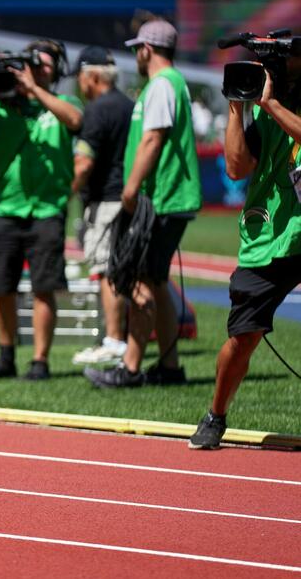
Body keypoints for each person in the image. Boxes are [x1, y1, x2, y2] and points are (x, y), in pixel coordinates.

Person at [189, 59, 301, 449]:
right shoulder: (262, 112)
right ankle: (215, 414)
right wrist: (239, 105)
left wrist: (271, 105)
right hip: (269, 235)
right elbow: (236, 168)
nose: (274, 72)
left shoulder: (280, 105)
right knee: (243, 336)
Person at [85, 19, 201, 388]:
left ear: (147, 50)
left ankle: (130, 368)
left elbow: (153, 139)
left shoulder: (163, 85)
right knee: (155, 279)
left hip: (161, 198)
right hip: (168, 198)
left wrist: (131, 189)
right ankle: (169, 367)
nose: (135, 55)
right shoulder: (169, 84)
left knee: (139, 281)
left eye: (138, 48)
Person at [0, 40, 82, 380]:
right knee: (2, 285)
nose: (38, 68)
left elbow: (75, 121)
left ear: (57, 70)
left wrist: (34, 89)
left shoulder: (64, 102)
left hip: (47, 209)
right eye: (34, 64)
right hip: (5, 208)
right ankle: (5, 355)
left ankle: (40, 361)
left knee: (43, 287)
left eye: (45, 64)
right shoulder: (2, 106)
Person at [69, 47, 133, 366]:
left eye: (80, 78)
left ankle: (114, 340)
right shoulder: (128, 105)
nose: (79, 86)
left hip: (106, 200)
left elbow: (83, 163)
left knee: (106, 271)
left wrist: (66, 192)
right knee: (124, 272)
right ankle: (120, 338)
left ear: (92, 76)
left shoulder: (96, 110)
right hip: (129, 198)